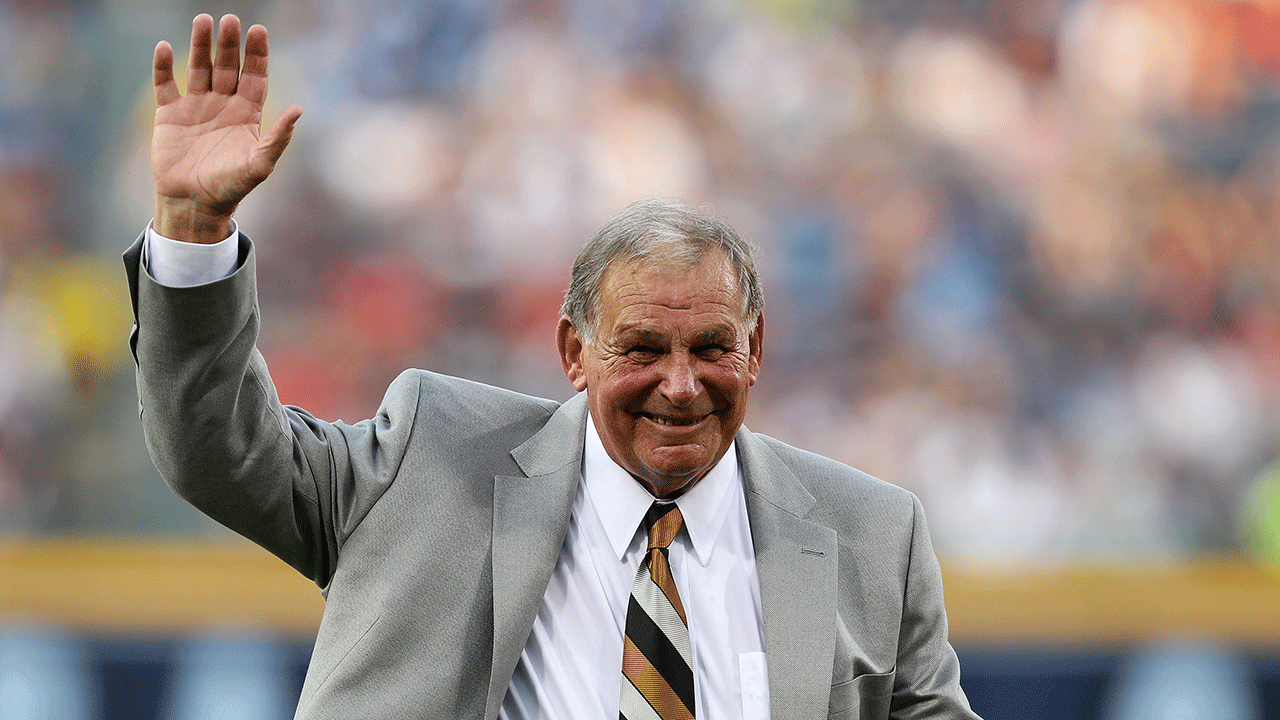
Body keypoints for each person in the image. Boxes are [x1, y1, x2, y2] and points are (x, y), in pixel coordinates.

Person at [125, 13, 982, 720]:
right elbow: (218, 450)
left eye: (712, 349)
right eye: (642, 348)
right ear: (575, 352)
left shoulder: (872, 538)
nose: (680, 385)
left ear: (756, 349)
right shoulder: (430, 464)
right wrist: (194, 231)